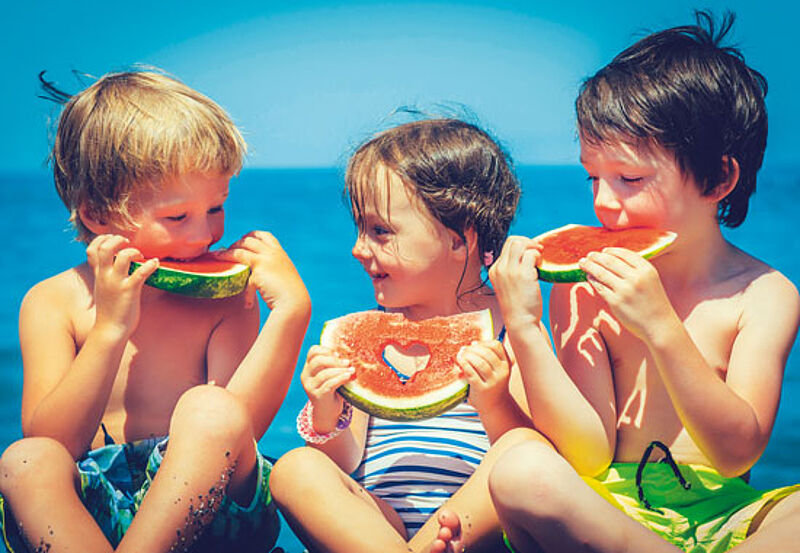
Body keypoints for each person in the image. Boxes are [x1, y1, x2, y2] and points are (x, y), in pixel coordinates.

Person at [467, 11, 800, 553]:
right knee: (521, 472)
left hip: (731, 515)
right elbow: (589, 452)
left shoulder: (763, 294)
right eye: (593, 176)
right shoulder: (580, 288)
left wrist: (661, 329)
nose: (602, 201)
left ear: (719, 178)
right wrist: (526, 327)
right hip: (611, 512)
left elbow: (737, 452)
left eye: (630, 179)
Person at [0, 70, 311, 553]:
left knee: (209, 410)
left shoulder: (225, 297)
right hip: (93, 510)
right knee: (25, 459)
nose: (204, 235)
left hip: (211, 508)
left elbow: (237, 426)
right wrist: (109, 330)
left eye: (216, 207)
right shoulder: (52, 301)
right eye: (177, 217)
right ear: (97, 215)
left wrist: (291, 313)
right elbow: (57, 441)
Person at [269, 118, 548, 553]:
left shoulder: (514, 334)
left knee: (522, 447)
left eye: (380, 231)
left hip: (476, 534)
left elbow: (541, 463)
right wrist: (327, 412)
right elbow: (343, 466)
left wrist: (494, 404)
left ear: (460, 238)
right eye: (360, 230)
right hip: (381, 534)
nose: (359, 249)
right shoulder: (365, 343)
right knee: (294, 467)